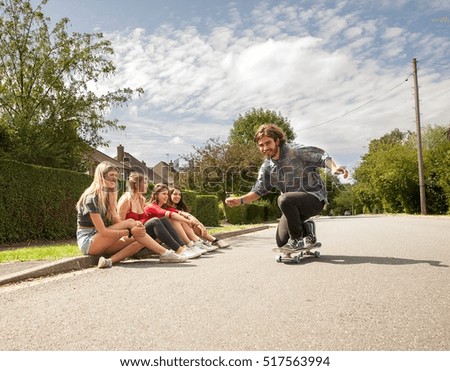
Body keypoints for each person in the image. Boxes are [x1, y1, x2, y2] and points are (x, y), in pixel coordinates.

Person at [226, 123, 348, 252]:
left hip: (314, 199)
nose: (264, 148)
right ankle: (308, 228)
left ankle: (297, 240)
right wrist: (239, 200)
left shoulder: (295, 151)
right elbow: (258, 191)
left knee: (284, 199)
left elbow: (322, 157)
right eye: (261, 145)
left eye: (268, 143)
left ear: (277, 141)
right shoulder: (267, 167)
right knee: (282, 241)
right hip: (292, 205)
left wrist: (334, 168)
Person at [76, 161, 187, 268]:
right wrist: (128, 232)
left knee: (140, 238)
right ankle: (166, 253)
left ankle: (109, 261)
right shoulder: (91, 198)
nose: (115, 178)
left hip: (100, 239)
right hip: (88, 241)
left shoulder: (107, 196)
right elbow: (103, 231)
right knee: (132, 225)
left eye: (116, 175)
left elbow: (115, 219)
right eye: (111, 175)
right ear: (101, 176)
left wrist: (133, 232)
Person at [117, 172, 201, 259]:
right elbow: (120, 223)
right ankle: (180, 250)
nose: (147, 185)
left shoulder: (141, 199)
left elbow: (144, 219)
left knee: (163, 220)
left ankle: (183, 248)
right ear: (136, 185)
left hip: (141, 230)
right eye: (144, 183)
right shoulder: (126, 200)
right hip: (131, 234)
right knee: (155, 221)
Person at [145, 183, 215, 253]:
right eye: (164, 194)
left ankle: (196, 243)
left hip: (162, 235)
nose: (166, 196)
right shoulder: (151, 206)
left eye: (167, 194)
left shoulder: (165, 207)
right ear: (156, 195)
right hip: (150, 236)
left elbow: (181, 213)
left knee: (181, 218)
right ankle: (189, 245)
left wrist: (197, 223)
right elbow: (172, 215)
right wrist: (188, 222)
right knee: (174, 219)